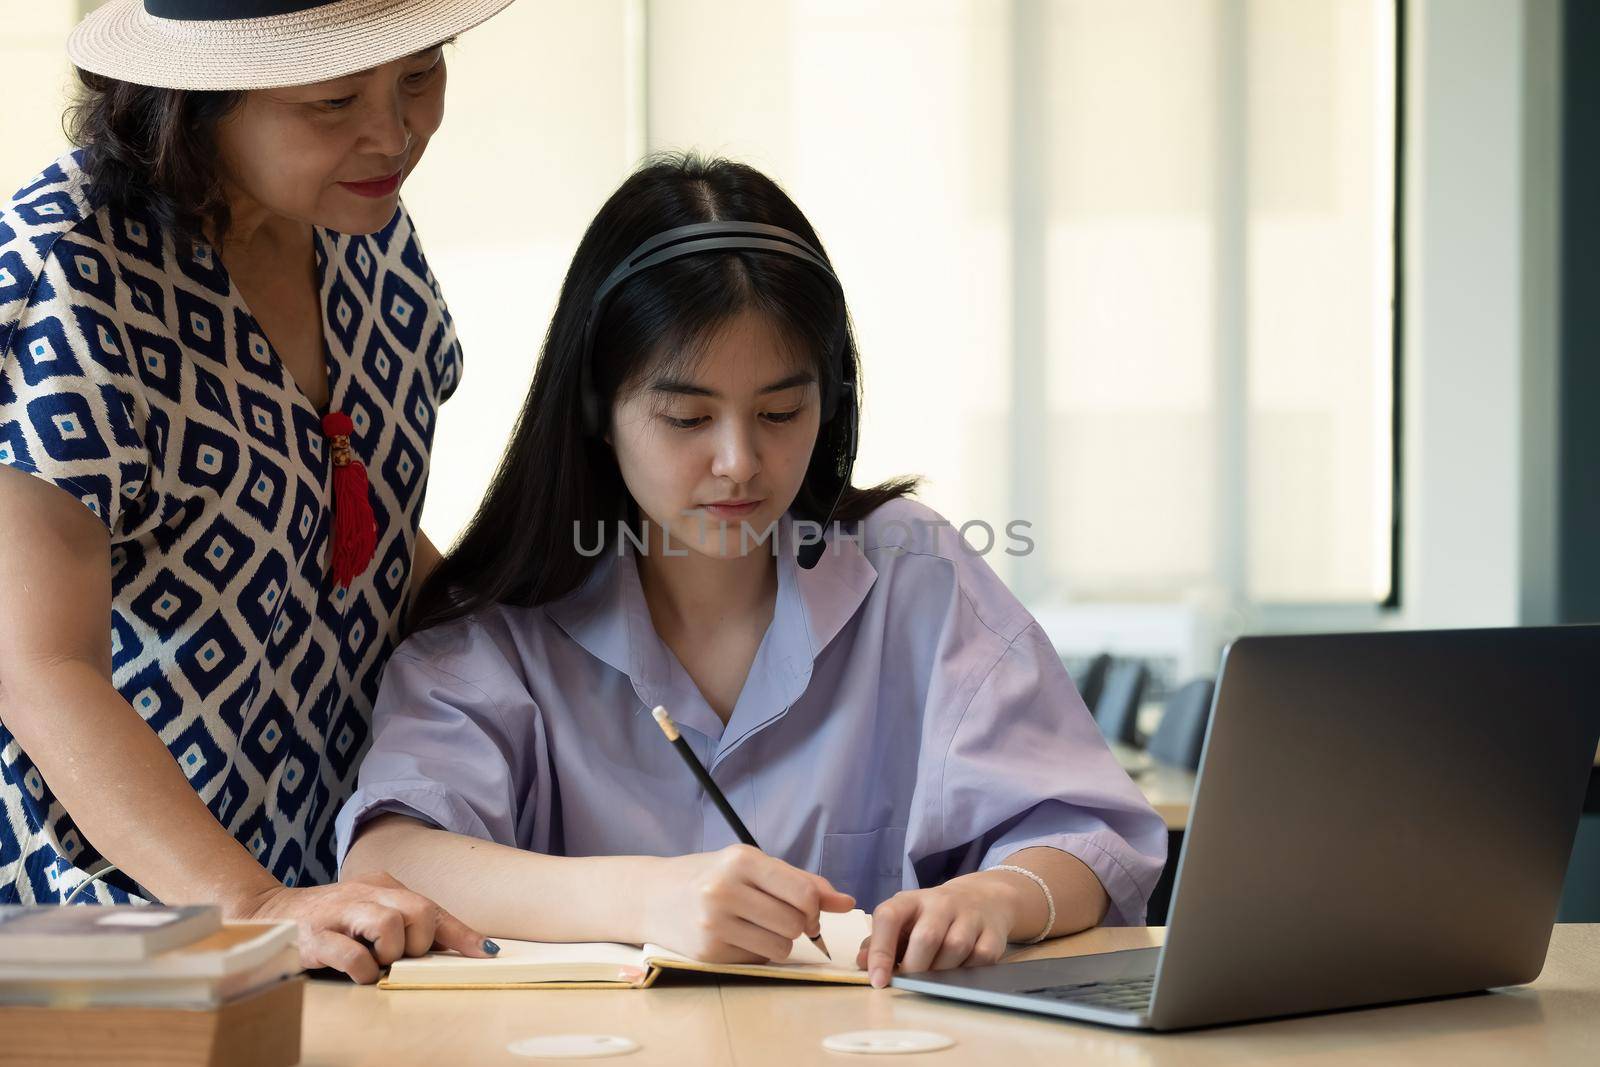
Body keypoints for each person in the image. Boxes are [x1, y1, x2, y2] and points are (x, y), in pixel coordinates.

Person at [336, 154, 1167, 988]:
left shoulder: (917, 573)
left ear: (831, 398)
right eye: (688, 416)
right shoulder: (503, 622)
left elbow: (1087, 833)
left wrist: (998, 896)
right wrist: (646, 895)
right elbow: (392, 855)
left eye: (780, 411)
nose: (739, 462)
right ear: (597, 407)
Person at [0, 0, 518, 983]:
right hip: (116, 925)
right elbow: (35, 666)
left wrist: (553, 670)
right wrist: (251, 901)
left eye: (421, 75)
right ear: (195, 105)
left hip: (341, 883)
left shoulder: (356, 216)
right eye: (332, 100)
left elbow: (363, 528)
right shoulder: (69, 277)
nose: (395, 133)